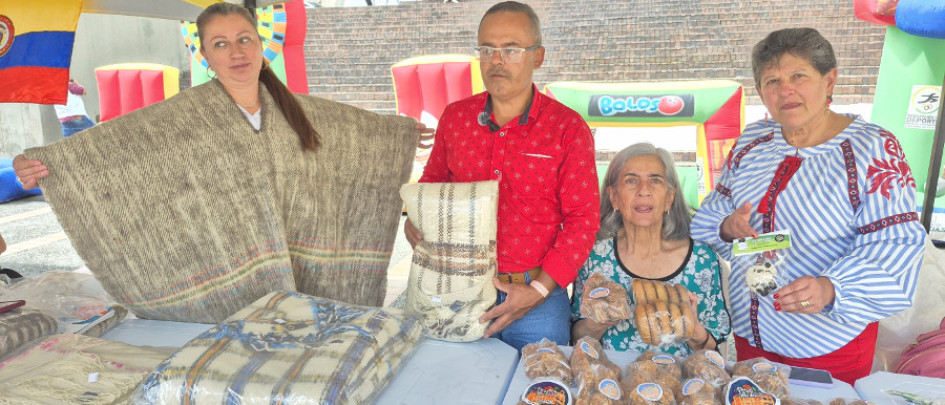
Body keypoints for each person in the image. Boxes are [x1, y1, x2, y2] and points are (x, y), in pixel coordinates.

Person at [13, 3, 431, 321]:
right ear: (205, 55)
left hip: (307, 277)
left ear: (261, 45)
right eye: (221, 44)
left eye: (244, 39)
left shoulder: (302, 112)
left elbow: (355, 134)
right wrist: (43, 165)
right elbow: (113, 151)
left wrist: (399, 135)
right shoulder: (179, 118)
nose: (236, 51)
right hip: (222, 279)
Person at [691, 28, 925, 384]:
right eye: (772, 81)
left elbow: (896, 243)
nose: (786, 90)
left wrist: (831, 287)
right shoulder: (752, 141)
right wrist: (727, 226)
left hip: (827, 341)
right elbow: (716, 208)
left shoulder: (873, 149)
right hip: (751, 334)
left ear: (829, 81)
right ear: (761, 93)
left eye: (798, 76)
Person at [403, 1, 600, 350]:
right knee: (452, 376)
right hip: (457, 288)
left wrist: (538, 291)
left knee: (541, 377)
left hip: (536, 298)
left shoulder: (567, 129)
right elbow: (432, 184)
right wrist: (416, 220)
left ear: (538, 57)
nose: (496, 60)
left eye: (511, 50)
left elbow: (582, 219)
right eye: (487, 49)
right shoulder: (456, 118)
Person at [571, 143, 730, 356]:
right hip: (612, 375)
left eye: (655, 180)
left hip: (683, 376)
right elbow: (577, 338)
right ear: (614, 196)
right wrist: (598, 321)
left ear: (670, 198)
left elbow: (714, 351)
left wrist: (692, 328)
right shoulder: (594, 257)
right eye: (631, 180)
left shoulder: (702, 260)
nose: (644, 190)